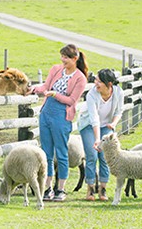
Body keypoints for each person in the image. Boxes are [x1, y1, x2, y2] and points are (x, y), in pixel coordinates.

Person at [30, 44, 88, 202]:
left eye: (66, 58)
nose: (63, 60)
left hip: (62, 116)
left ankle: (60, 189)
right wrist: (34, 88)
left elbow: (71, 100)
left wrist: (55, 94)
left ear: (75, 59)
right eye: (62, 56)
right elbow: (45, 87)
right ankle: (47, 187)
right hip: (46, 113)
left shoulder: (80, 78)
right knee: (46, 152)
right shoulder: (56, 69)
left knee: (61, 153)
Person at [77, 68, 124, 201]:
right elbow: (94, 118)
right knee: (92, 155)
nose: (96, 83)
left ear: (109, 84)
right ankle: (90, 188)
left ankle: (102, 189)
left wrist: (113, 124)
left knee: (105, 156)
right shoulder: (92, 94)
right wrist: (97, 139)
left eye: (99, 81)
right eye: (95, 80)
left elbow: (119, 111)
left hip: (107, 125)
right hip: (88, 125)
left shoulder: (118, 93)